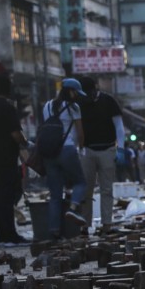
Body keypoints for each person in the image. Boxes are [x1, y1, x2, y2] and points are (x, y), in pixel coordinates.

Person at [0, 73, 29, 245]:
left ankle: (1, 234)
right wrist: (26, 143)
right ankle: (10, 234)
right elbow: (16, 134)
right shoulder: (7, 108)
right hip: (6, 158)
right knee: (8, 196)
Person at [42, 78, 88, 237]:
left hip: (49, 153)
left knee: (55, 194)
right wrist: (82, 149)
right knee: (80, 182)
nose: (77, 96)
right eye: (76, 92)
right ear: (70, 91)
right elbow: (81, 133)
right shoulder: (74, 108)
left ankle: (54, 231)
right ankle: (73, 209)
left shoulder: (47, 106)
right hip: (67, 150)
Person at [76, 77, 124, 232]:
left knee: (106, 189)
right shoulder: (79, 103)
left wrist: (121, 149)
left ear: (95, 88)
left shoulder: (108, 101)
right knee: (86, 190)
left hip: (108, 149)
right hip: (87, 150)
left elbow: (119, 126)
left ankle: (106, 224)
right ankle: (85, 223)